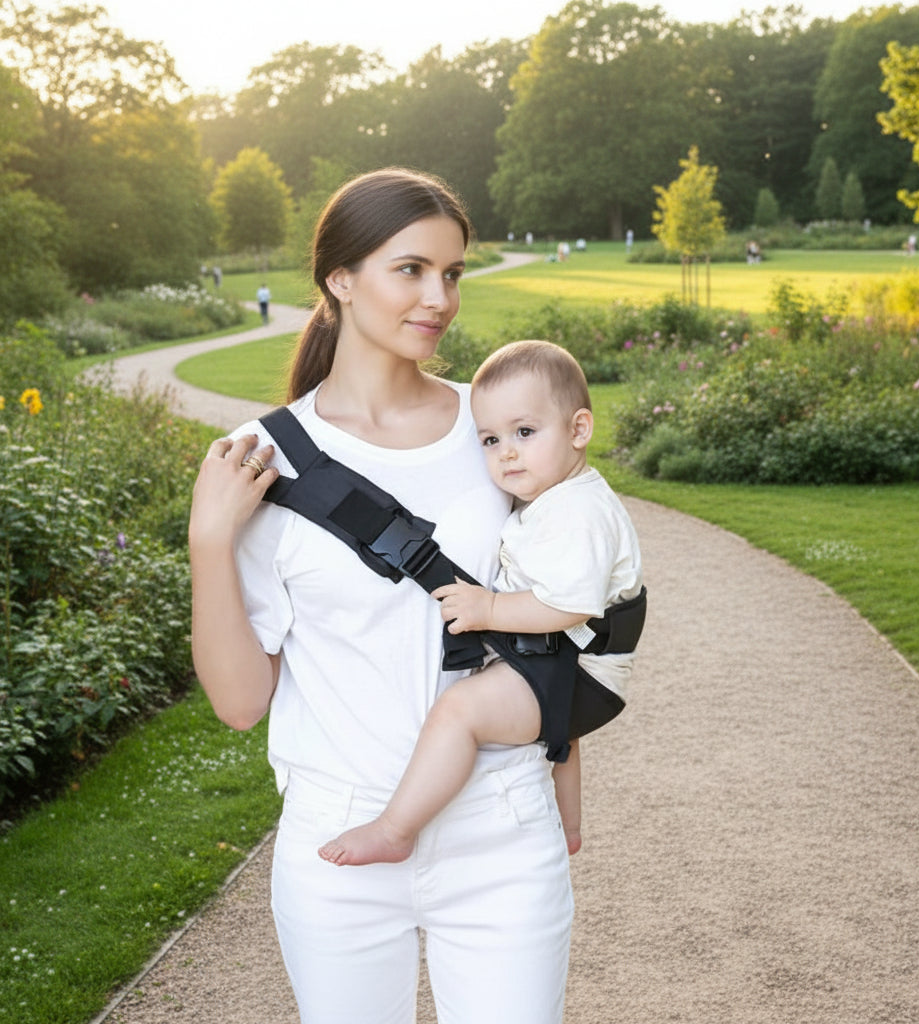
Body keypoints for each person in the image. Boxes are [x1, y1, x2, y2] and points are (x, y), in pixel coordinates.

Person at [189, 168, 574, 1024]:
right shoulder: (262, 458)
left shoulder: (501, 430)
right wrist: (209, 543)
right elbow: (242, 701)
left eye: (453, 273)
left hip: (500, 829)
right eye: (411, 270)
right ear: (340, 280)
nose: (439, 297)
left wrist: (565, 783)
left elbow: (570, 622)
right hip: (339, 843)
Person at [317, 339, 643, 868]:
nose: (506, 452)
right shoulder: (556, 496)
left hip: (580, 673)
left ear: (579, 430)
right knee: (557, 732)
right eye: (490, 439)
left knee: (459, 711)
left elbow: (569, 607)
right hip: (574, 669)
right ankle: (569, 828)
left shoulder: (578, 513)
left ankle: (395, 829)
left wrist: (488, 610)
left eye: (525, 432)